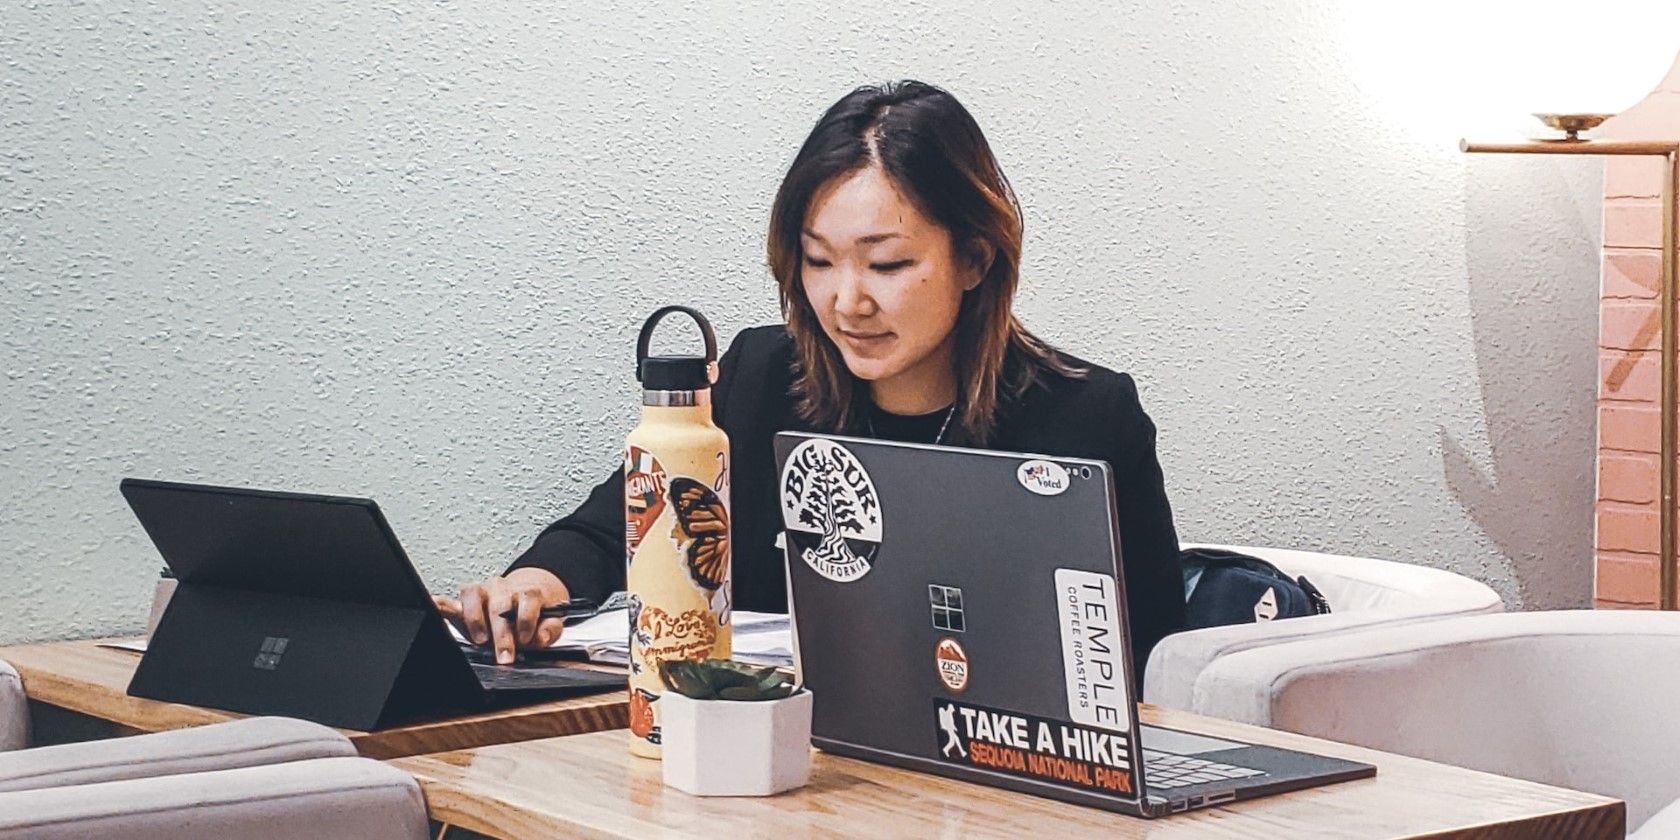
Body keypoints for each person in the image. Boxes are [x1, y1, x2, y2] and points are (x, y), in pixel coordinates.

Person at [436, 80, 1185, 685]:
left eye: (887, 264)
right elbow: (614, 530)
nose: (847, 302)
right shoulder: (762, 378)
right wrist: (531, 584)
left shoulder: (1086, 416)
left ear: (976, 260)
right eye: (819, 261)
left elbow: (1155, 664)